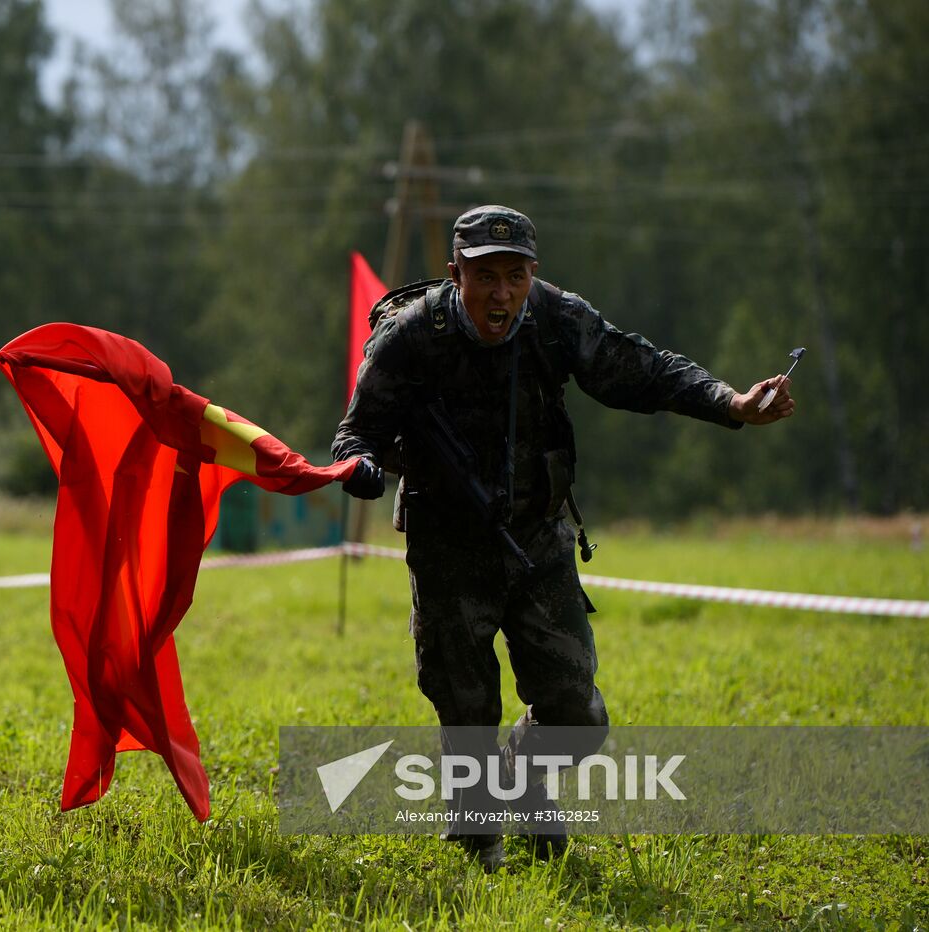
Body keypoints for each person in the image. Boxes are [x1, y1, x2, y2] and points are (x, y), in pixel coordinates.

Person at [333, 205, 794, 873]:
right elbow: (355, 433)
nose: (500, 295)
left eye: (514, 276)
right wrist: (364, 470)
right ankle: (478, 837)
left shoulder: (553, 317)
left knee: (578, 714)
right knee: (465, 705)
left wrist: (730, 404)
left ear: (533, 273)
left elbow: (642, 370)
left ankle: (521, 778)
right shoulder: (412, 337)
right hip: (447, 543)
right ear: (455, 271)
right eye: (484, 277)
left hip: (536, 538)